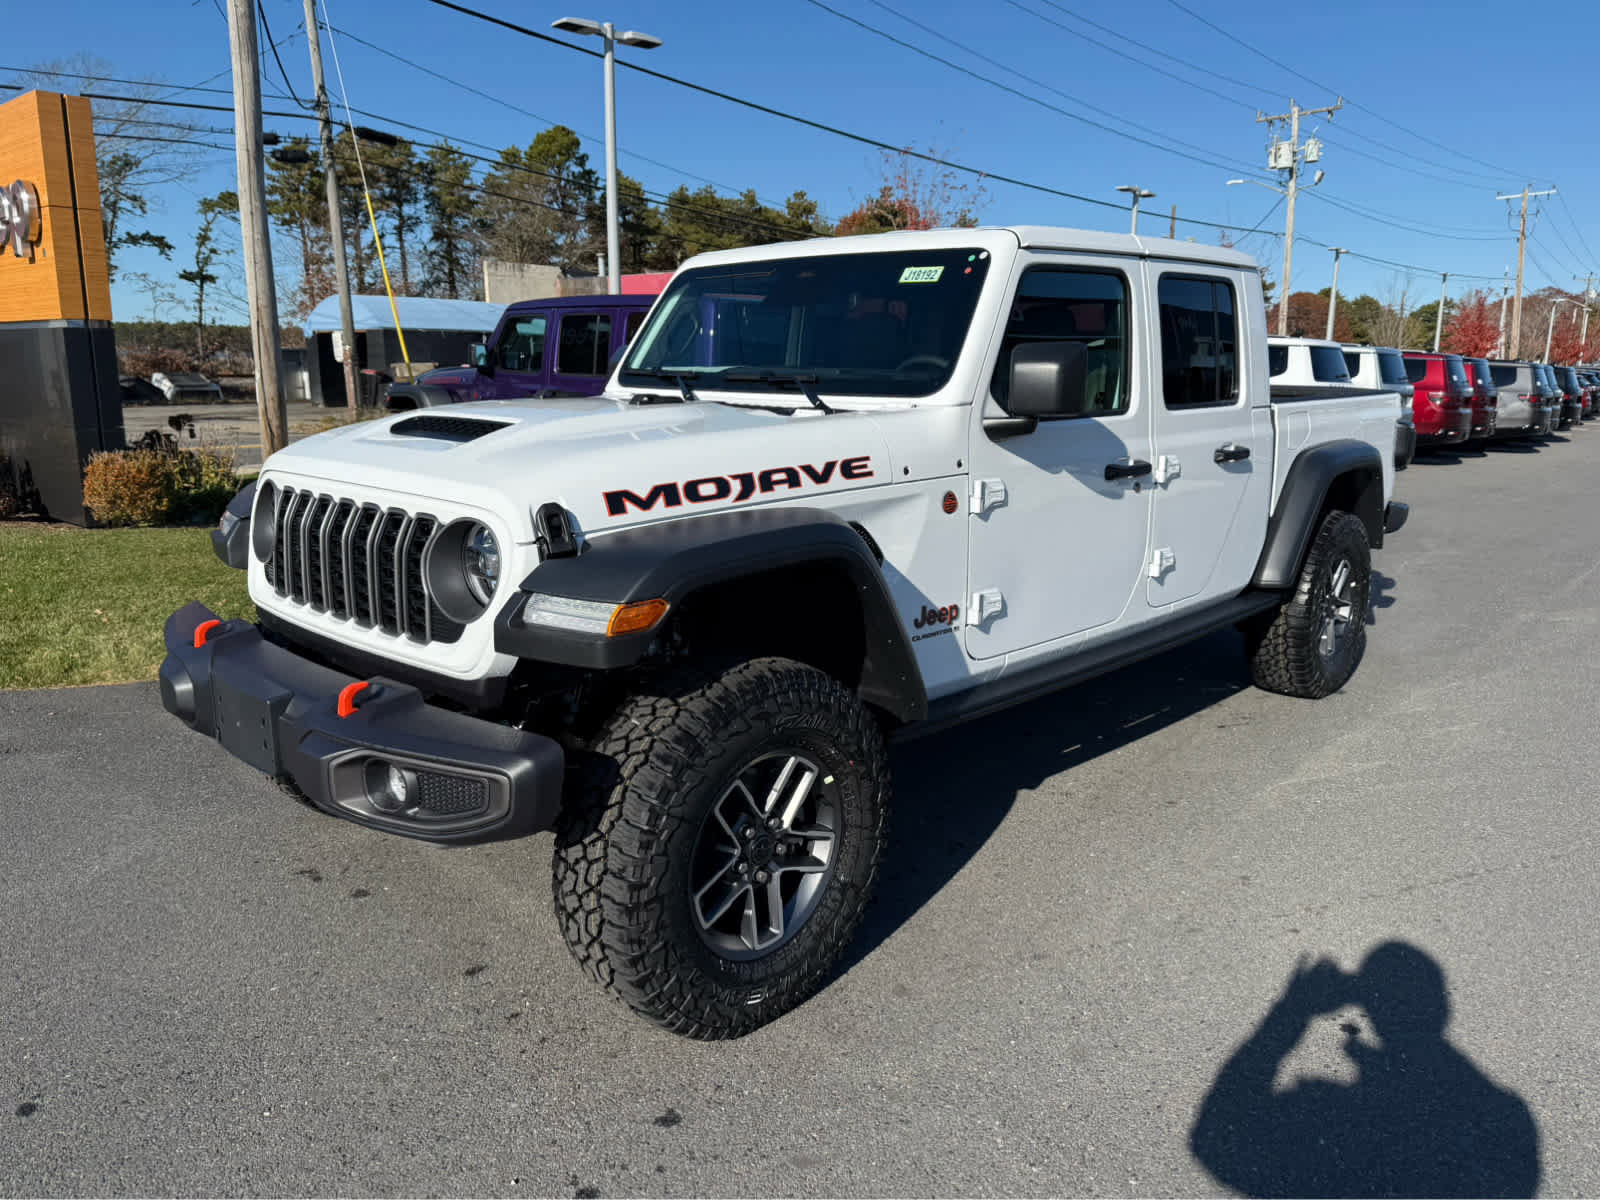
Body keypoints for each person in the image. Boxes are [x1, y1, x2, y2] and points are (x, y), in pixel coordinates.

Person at [1189, 942, 1540, 1198]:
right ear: (1442, 1007)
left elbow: (1215, 1136)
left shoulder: (1332, 1128)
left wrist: (1291, 1014)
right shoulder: (1505, 1120)